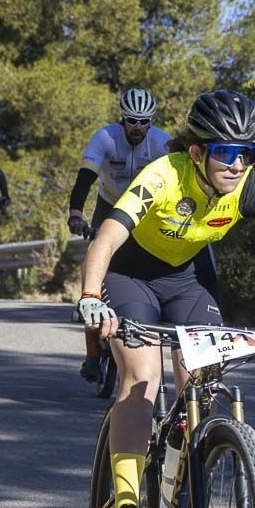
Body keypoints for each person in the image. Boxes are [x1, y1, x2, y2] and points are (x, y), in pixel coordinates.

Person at [77, 89, 255, 508]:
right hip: (129, 276)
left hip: (186, 280)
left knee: (200, 379)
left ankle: (179, 475)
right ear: (197, 151)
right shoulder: (162, 175)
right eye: (226, 152)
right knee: (142, 377)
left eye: (248, 154)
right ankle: (124, 504)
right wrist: (89, 296)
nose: (237, 165)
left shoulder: (249, 186)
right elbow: (106, 238)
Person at [67, 88, 173, 382]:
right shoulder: (105, 138)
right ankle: (91, 354)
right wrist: (76, 213)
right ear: (122, 118)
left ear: (151, 121)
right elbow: (85, 178)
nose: (137, 127)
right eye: (131, 120)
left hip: (145, 210)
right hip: (109, 205)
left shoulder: (162, 143)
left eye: (143, 121)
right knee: (92, 269)